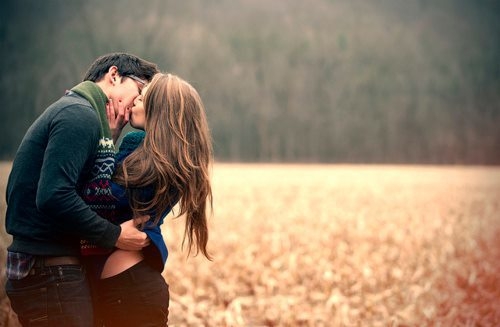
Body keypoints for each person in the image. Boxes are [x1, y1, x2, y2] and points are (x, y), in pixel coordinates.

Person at [4, 53, 159, 327]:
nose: (137, 101)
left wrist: (109, 139)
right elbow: (54, 196)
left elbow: (79, 185)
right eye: (139, 91)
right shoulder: (79, 116)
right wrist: (115, 236)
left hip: (49, 268)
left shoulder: (80, 113)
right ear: (114, 75)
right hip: (49, 270)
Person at [79, 72, 213, 326]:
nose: (134, 102)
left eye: (141, 98)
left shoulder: (156, 163)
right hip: (124, 289)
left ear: (158, 110)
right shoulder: (158, 154)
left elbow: (99, 197)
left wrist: (108, 138)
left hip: (131, 292)